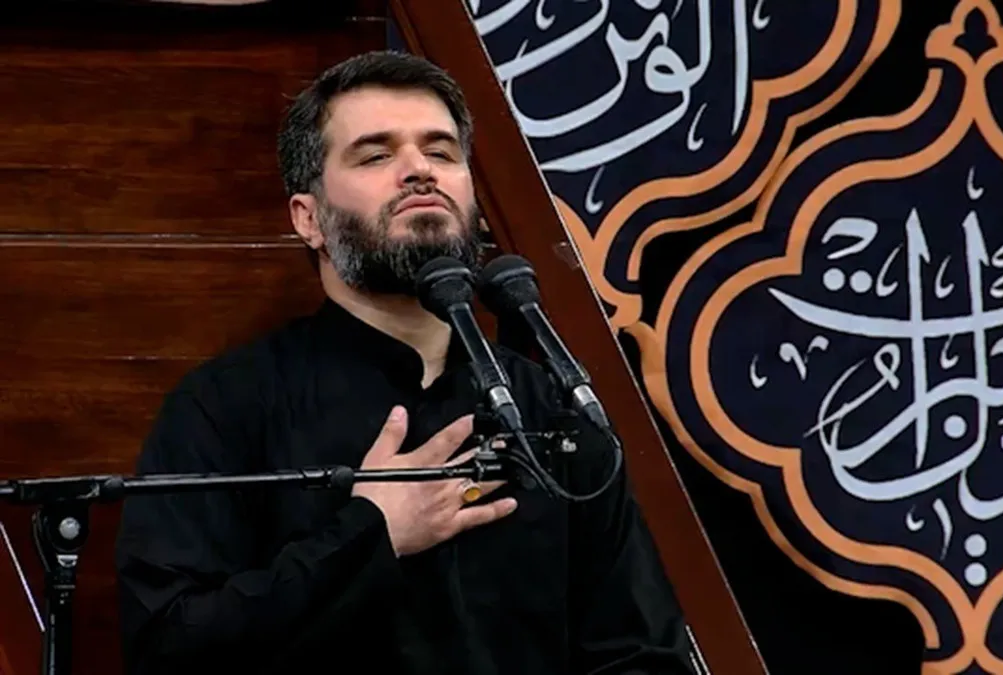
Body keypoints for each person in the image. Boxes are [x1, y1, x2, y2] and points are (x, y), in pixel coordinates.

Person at [114, 51, 694, 675]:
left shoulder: (553, 408)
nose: (420, 170)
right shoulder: (226, 407)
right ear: (309, 219)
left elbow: (641, 654)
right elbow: (169, 646)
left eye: (441, 151)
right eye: (375, 155)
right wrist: (372, 534)